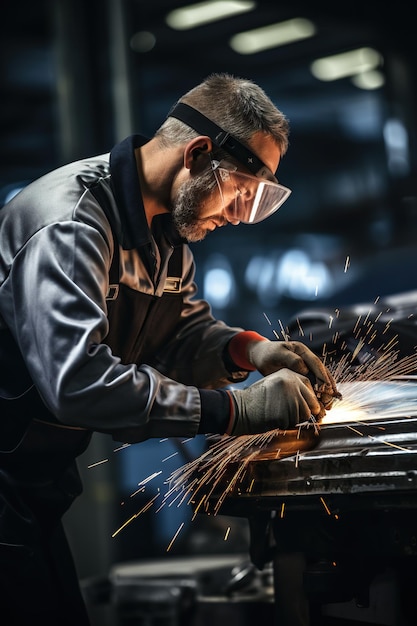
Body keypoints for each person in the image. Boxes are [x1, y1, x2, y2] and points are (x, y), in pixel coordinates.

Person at [0, 72, 340, 625]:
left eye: (254, 203)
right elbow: (77, 382)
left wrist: (249, 351)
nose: (236, 215)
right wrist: (237, 410)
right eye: (239, 192)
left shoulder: (167, 237)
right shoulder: (72, 225)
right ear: (198, 152)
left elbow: (177, 334)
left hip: (32, 481)